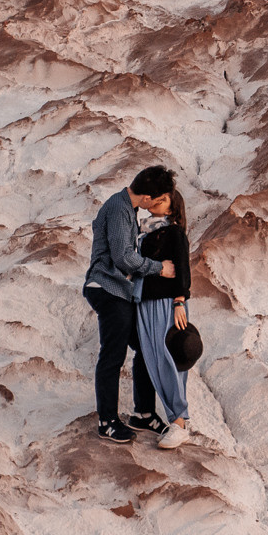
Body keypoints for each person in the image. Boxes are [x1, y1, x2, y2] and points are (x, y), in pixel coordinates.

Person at [82, 166, 175, 442]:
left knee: (145, 346)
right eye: (155, 201)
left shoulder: (127, 208)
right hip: (107, 288)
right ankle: (107, 421)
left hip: (121, 291)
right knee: (113, 355)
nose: (154, 207)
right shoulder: (119, 209)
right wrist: (159, 268)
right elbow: (123, 258)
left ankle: (143, 414)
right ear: (146, 197)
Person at [131, 170, 194, 450]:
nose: (159, 201)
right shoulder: (147, 230)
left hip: (166, 304)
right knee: (152, 359)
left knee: (169, 359)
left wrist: (179, 301)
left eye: (166, 198)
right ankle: (165, 418)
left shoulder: (173, 232)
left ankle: (179, 422)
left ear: (172, 204)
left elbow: (183, 268)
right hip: (144, 302)